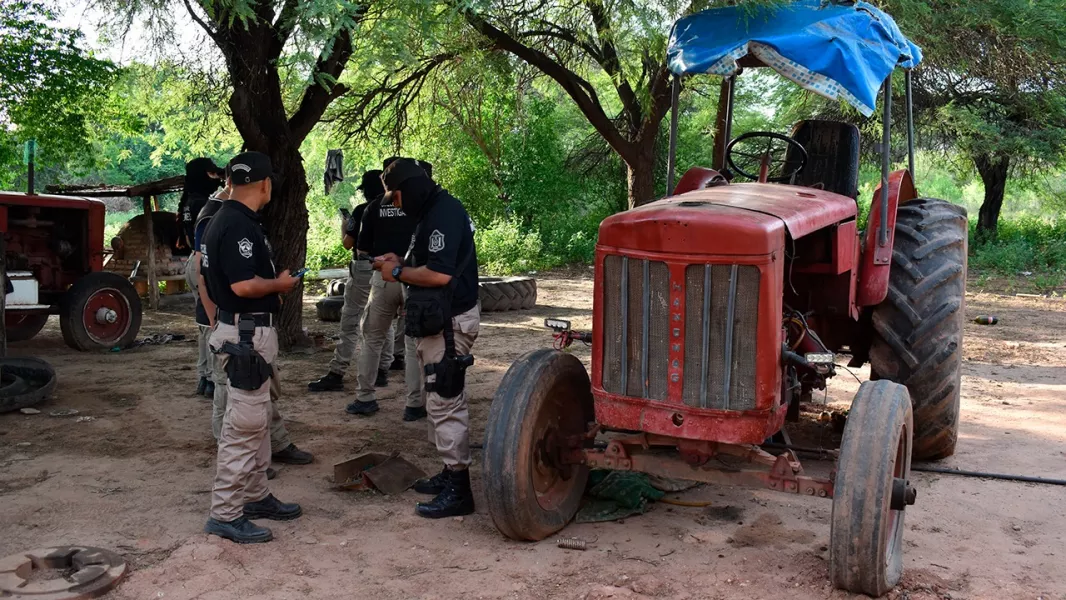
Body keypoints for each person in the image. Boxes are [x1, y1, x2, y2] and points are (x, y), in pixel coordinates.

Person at [200, 151, 307, 543]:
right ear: (265, 184)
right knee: (243, 427)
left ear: (230, 181)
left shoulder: (223, 218)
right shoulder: (238, 225)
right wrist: (280, 285)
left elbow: (209, 278)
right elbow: (244, 285)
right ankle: (226, 513)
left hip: (241, 330)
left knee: (256, 420)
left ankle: (256, 495)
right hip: (245, 336)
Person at [373, 158, 480, 519]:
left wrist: (397, 272)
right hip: (438, 322)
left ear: (410, 189)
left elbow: (439, 275)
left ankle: (459, 489)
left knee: (446, 401)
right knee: (437, 400)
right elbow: (430, 261)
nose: (396, 204)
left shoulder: (443, 213)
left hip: (449, 323)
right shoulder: (432, 212)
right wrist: (400, 261)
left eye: (396, 197)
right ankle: (450, 471)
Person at [346, 161, 425, 420]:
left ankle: (365, 397)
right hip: (415, 278)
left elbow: (361, 250)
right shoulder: (422, 206)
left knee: (372, 339)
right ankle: (414, 404)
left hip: (383, 278)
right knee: (412, 344)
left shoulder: (374, 207)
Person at [307, 171, 398, 392]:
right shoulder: (401, 208)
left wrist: (345, 225)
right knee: (384, 319)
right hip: (393, 268)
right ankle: (382, 369)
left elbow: (348, 243)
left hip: (365, 267)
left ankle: (337, 371)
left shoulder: (363, 210)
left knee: (351, 319)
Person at [187, 172, 232, 397]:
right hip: (204, 266)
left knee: (205, 324)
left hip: (197, 264)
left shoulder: (207, 204)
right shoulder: (216, 210)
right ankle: (212, 379)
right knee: (211, 323)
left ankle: (205, 377)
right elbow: (201, 261)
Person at [178, 158, 225, 252]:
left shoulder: (189, 201)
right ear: (200, 176)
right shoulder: (201, 203)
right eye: (212, 174)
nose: (217, 178)